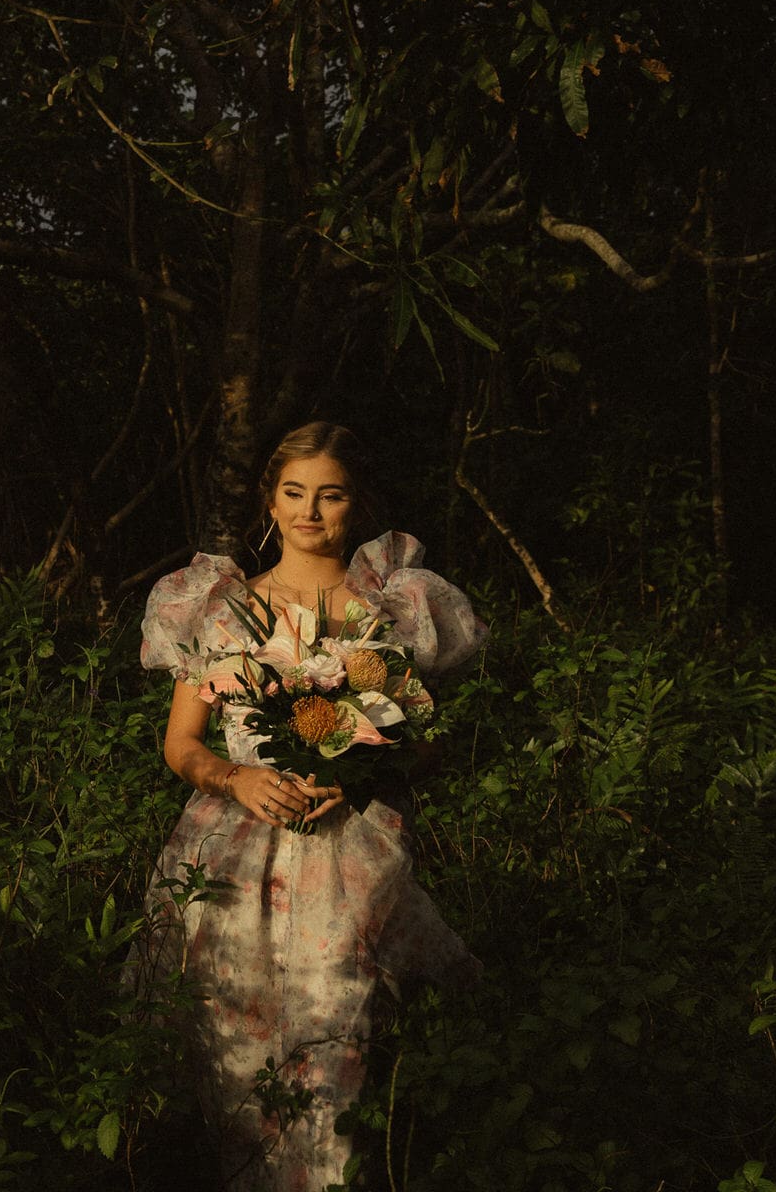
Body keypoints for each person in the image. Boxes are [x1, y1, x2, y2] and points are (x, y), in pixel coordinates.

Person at [137, 421, 485, 1191]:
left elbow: (427, 745)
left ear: (355, 505)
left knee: (340, 1032)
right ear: (270, 500)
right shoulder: (221, 609)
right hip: (235, 848)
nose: (310, 511)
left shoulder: (380, 609)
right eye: (294, 493)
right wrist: (237, 779)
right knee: (233, 1036)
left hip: (347, 848)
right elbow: (183, 745)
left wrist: (357, 769)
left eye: (329, 495)